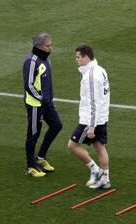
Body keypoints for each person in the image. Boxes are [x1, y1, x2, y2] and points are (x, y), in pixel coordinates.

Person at [67, 44, 111, 189]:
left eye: (78, 57)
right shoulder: (101, 70)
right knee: (99, 147)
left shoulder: (90, 75)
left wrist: (91, 125)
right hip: (102, 117)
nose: (76, 60)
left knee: (72, 145)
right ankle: (105, 179)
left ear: (86, 57)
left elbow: (93, 102)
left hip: (90, 120)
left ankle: (94, 169)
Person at [23, 32, 63, 177]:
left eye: (50, 45)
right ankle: (30, 166)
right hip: (35, 105)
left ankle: (40, 158)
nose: (50, 48)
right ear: (39, 46)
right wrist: (41, 98)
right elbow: (28, 85)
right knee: (33, 134)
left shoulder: (46, 59)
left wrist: (49, 99)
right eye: (48, 46)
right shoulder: (31, 61)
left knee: (57, 125)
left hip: (47, 103)